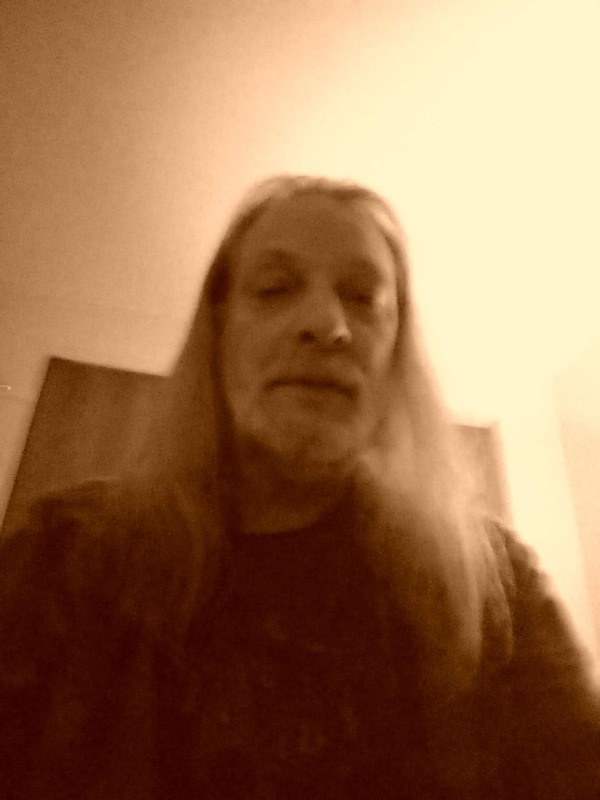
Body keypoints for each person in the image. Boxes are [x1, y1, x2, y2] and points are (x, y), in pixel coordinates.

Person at [1, 174, 599, 799]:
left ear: (395, 354)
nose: (327, 324)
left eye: (363, 298)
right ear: (218, 334)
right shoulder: (61, 555)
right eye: (275, 289)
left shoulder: (496, 591)